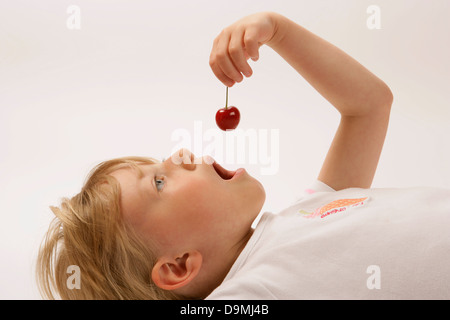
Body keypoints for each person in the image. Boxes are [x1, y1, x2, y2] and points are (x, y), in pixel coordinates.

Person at [36, 12, 450, 300]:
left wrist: (280, 32)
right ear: (179, 265)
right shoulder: (252, 292)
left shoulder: (310, 207)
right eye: (158, 182)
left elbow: (369, 107)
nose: (180, 153)